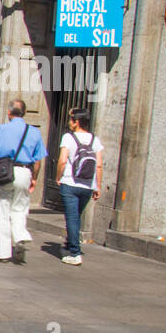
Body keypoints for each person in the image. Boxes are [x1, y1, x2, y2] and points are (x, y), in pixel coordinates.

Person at [0, 99, 47, 263]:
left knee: (3, 212)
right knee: (20, 208)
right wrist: (34, 178)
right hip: (24, 171)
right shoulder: (34, 132)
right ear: (25, 113)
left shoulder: (0, 130)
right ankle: (20, 236)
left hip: (5, 171)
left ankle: (4, 253)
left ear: (9, 112)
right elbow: (38, 160)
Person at [56, 107, 104, 266]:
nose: (69, 122)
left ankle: (75, 253)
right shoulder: (95, 140)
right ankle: (70, 246)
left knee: (72, 218)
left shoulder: (68, 138)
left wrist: (58, 177)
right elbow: (99, 166)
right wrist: (97, 186)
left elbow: (63, 160)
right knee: (76, 216)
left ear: (77, 122)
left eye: (71, 119)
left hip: (70, 183)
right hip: (87, 186)